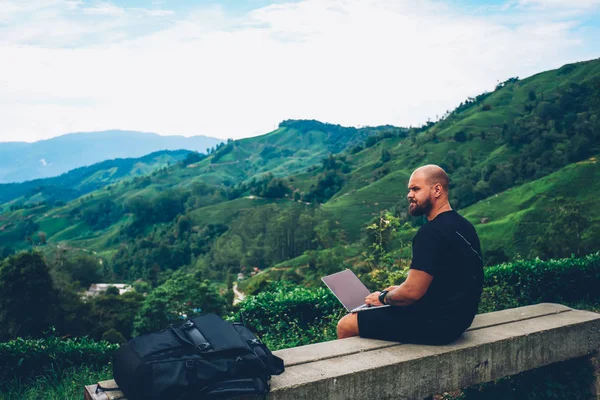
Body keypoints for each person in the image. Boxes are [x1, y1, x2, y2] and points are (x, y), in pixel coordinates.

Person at [336, 164, 483, 344]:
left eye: (415, 189)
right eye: (409, 189)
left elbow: (412, 293)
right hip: (459, 320)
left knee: (346, 324)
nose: (409, 195)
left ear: (437, 190)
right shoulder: (464, 226)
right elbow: (449, 281)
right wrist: (399, 290)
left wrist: (383, 298)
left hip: (437, 325)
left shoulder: (431, 232)